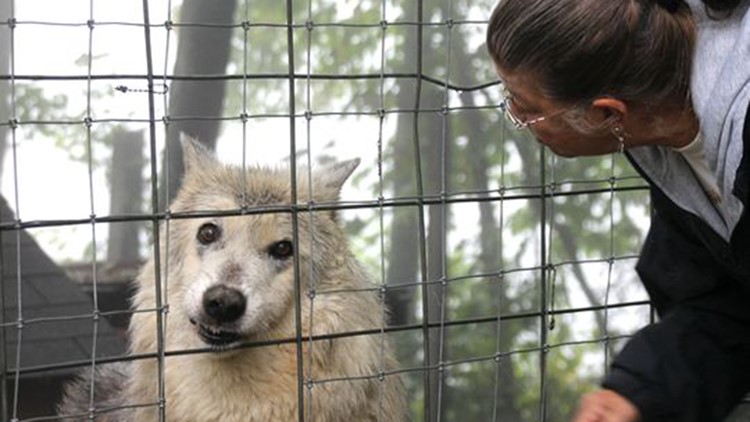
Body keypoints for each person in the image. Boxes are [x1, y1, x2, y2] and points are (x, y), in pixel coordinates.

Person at [486, 0, 750, 421]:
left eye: (527, 108)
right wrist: (637, 394)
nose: (514, 116)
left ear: (606, 113)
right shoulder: (665, 148)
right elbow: (724, 305)